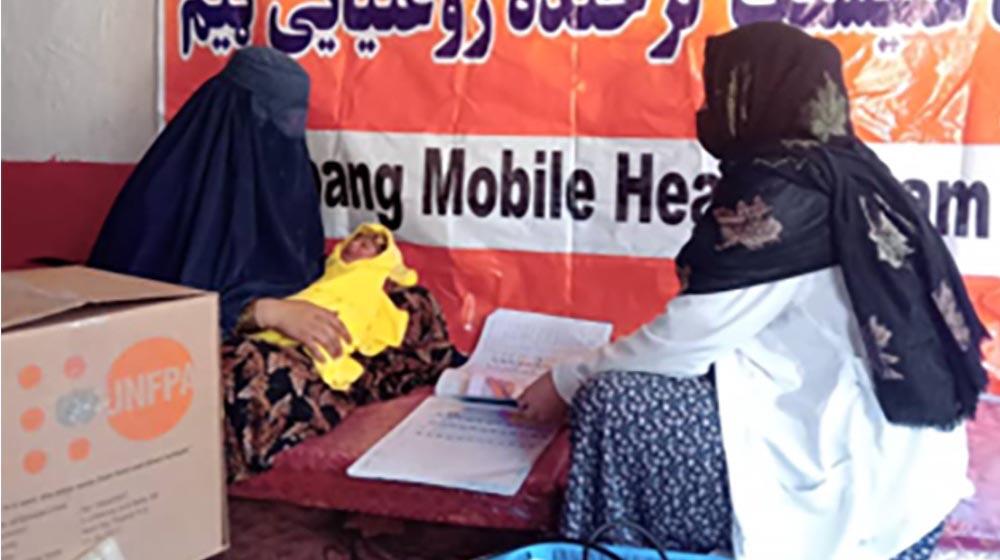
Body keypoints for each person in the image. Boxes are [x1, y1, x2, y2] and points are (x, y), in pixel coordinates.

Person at [517, 23, 988, 560]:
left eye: (719, 91)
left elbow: (683, 343)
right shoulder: (850, 168)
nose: (707, 107)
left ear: (752, 94)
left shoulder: (784, 189)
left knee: (613, 401)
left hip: (858, 487)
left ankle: (622, 550)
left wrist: (566, 379)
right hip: (911, 476)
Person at [88, 47, 455, 482]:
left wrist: (350, 273)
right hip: (208, 341)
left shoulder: (287, 173)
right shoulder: (167, 189)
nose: (288, 130)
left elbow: (289, 268)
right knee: (260, 381)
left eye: (295, 117)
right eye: (278, 115)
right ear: (240, 112)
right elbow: (144, 304)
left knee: (409, 306)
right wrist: (264, 311)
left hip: (291, 324)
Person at [253, 223, 421, 391]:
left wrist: (327, 354)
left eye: (364, 246)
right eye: (355, 239)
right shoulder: (323, 268)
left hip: (312, 345)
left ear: (378, 259)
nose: (353, 245)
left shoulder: (367, 285)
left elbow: (352, 320)